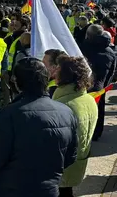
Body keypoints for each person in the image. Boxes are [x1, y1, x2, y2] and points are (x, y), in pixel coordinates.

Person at [0, 58, 78, 197]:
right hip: (49, 190)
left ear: (17, 83)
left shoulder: (7, 116)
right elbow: (70, 157)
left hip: (11, 190)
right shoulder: (66, 112)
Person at [52, 56, 98, 197]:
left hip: (62, 166)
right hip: (78, 162)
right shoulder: (89, 99)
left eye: (58, 69)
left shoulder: (63, 105)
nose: (54, 72)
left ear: (65, 74)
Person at [82, 24, 117, 141]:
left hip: (84, 85)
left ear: (88, 35)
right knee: (99, 108)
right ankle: (97, 132)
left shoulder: (83, 47)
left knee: (84, 111)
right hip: (100, 85)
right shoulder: (110, 51)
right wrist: (105, 85)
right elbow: (112, 70)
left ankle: (86, 132)